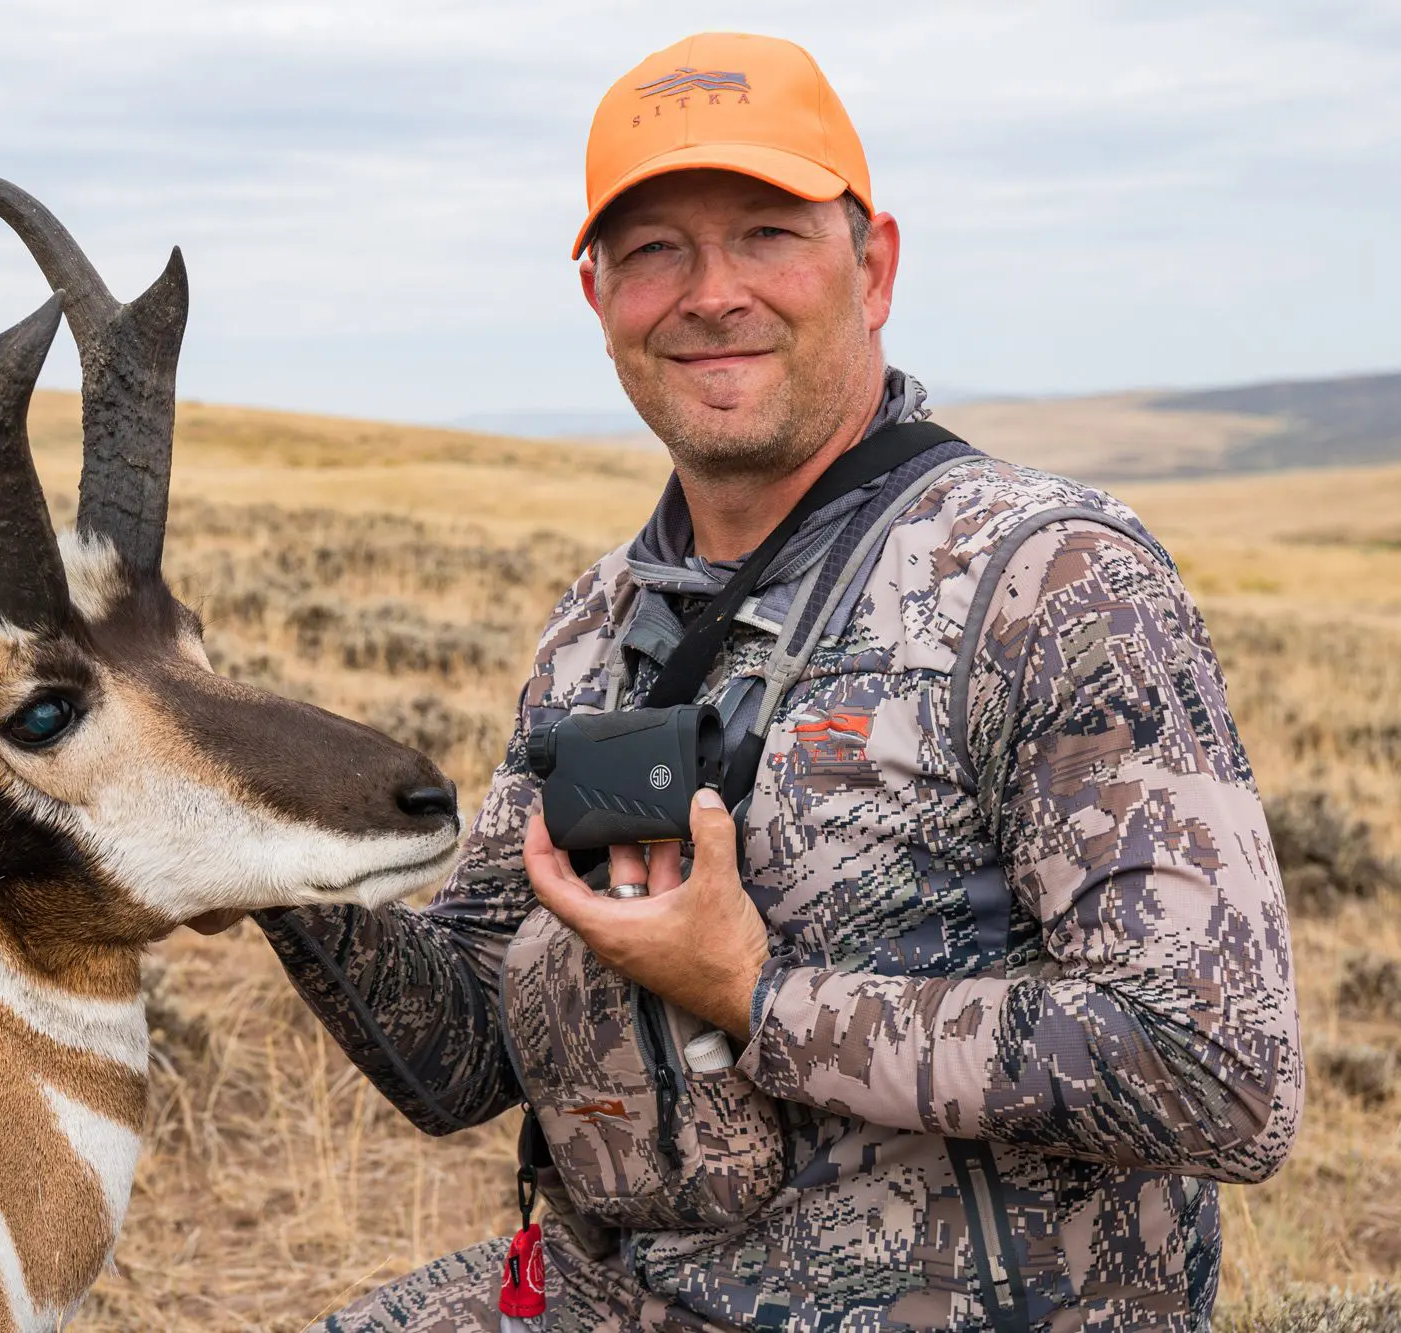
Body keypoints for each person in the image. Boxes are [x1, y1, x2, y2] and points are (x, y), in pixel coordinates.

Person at [216, 31, 1301, 1331]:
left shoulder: (1049, 583)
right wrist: (246, 842)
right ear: (598, 295)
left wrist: (758, 1001)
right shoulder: (596, 630)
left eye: (769, 234)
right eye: (654, 249)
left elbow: (1222, 1073)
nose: (710, 292)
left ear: (874, 264)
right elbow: (460, 1054)